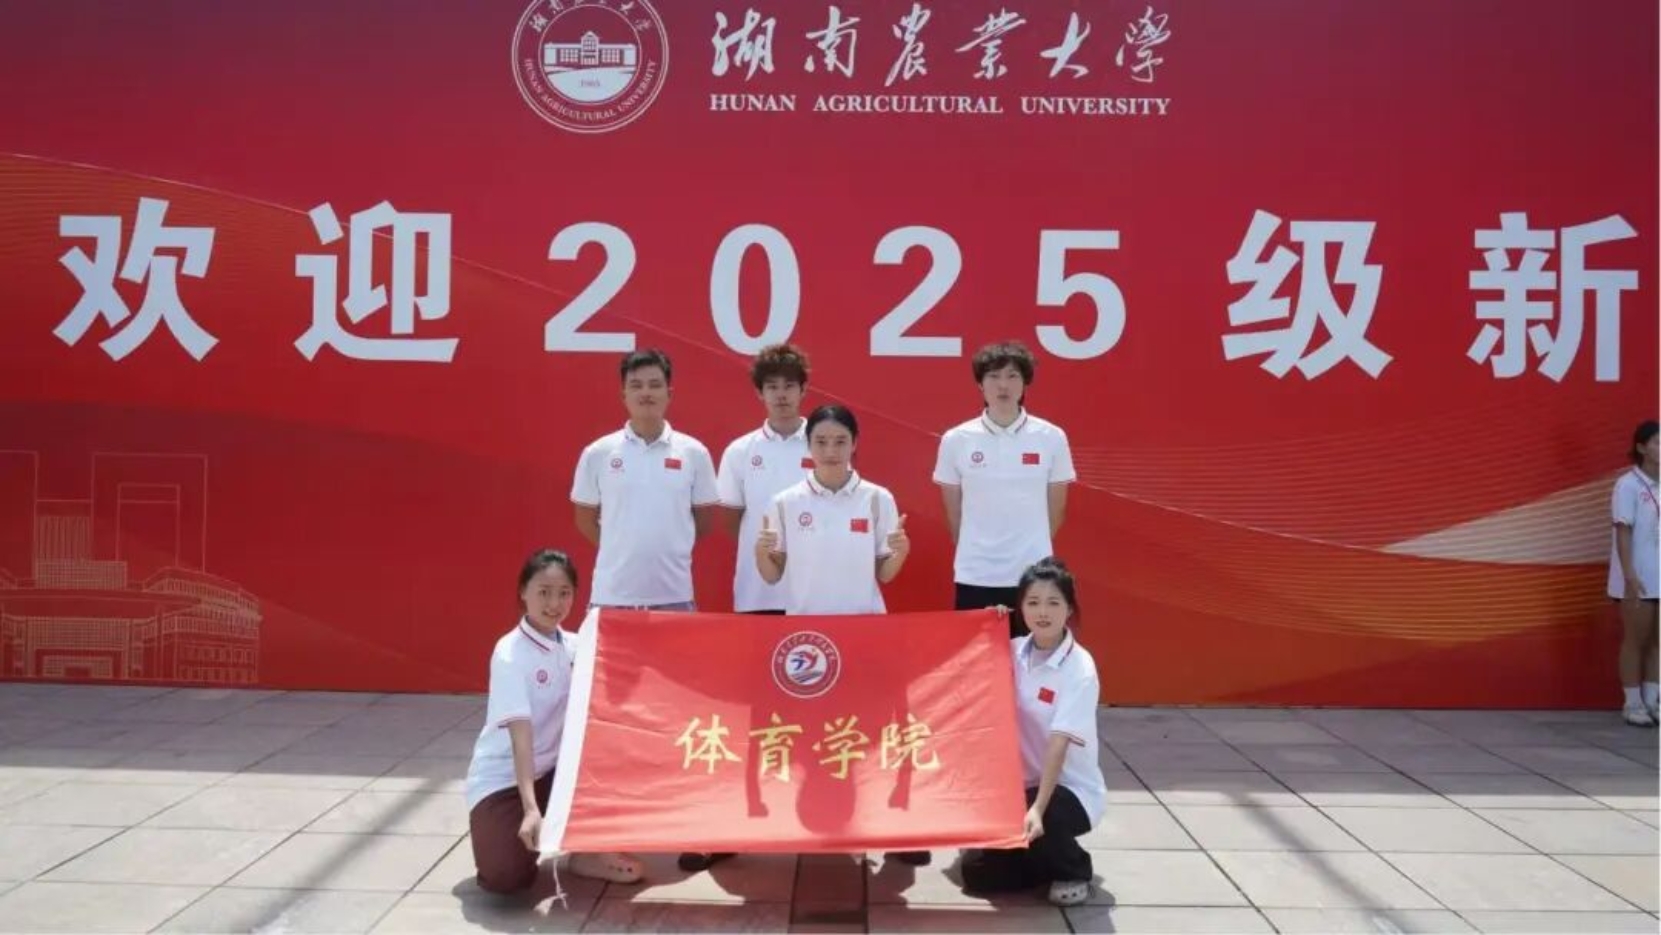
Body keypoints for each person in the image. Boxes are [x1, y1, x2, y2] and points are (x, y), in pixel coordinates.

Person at [681, 345, 814, 873]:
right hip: (759, 596)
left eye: (789, 386)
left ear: (803, 390)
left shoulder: (825, 439)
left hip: (816, 597)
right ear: (759, 393)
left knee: (819, 705)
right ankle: (742, 815)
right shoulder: (740, 452)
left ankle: (820, 812)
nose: (781, 395)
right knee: (758, 711)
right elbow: (734, 523)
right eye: (771, 387)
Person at [464, 549, 644, 892]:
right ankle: (524, 829)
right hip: (506, 781)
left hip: (557, 773)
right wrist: (531, 809)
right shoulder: (509, 653)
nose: (554, 604)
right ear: (523, 592)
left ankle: (588, 852)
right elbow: (521, 739)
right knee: (506, 878)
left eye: (564, 593)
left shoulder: (576, 646)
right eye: (543, 592)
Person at [961, 557, 1105, 907]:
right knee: (980, 877)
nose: (1043, 612)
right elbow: (967, 668)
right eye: (1033, 602)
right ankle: (1039, 860)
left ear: (1069, 609)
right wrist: (987, 626)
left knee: (1045, 816)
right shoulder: (1011, 651)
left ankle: (1075, 869)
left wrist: (1037, 809)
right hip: (1016, 786)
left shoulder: (1079, 668)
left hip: (1068, 792)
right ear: (1020, 607)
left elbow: (1058, 743)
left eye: (1054, 603)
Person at [934, 342, 1076, 638]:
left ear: (1025, 383)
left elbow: (1057, 510)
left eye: (1012, 376)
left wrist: (1029, 546)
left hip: (1034, 577)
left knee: (1032, 658)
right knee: (978, 661)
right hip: (976, 574)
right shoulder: (956, 439)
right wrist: (979, 548)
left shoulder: (1051, 437)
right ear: (980, 384)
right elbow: (953, 513)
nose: (1003, 385)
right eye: (994, 376)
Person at [571, 349, 719, 611]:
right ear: (624, 395)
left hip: (674, 597)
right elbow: (585, 519)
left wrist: (669, 544)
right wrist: (622, 547)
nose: (646, 393)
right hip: (612, 598)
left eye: (654, 385)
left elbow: (704, 521)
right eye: (636, 385)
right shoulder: (599, 453)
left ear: (669, 393)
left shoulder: (694, 453)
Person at [756, 404, 908, 616]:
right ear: (808, 444)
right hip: (807, 625)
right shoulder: (784, 502)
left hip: (865, 622)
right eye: (821, 442)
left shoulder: (877, 498)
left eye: (840, 442)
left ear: (854, 443)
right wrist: (761, 552)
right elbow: (772, 576)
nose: (830, 451)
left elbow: (885, 575)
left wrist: (901, 552)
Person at [1611, 419, 1659, 727]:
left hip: (1659, 572)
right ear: (1642, 448)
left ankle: (1653, 699)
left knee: (1658, 640)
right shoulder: (1628, 485)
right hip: (1636, 576)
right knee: (1635, 639)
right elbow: (1623, 530)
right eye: (1657, 443)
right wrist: (1629, 574)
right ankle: (1632, 703)